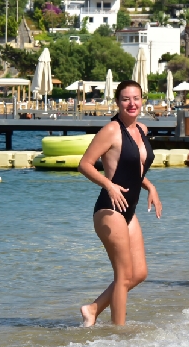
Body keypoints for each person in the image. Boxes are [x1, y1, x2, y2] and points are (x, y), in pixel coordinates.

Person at [78, 80, 162, 327]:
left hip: (129, 209)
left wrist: (151, 186)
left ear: (142, 100)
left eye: (136, 98)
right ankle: (119, 335)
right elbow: (85, 164)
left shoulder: (143, 130)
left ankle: (93, 309)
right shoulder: (111, 130)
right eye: (126, 99)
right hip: (109, 208)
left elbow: (133, 169)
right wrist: (109, 185)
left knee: (139, 273)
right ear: (118, 102)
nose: (132, 103)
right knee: (123, 275)